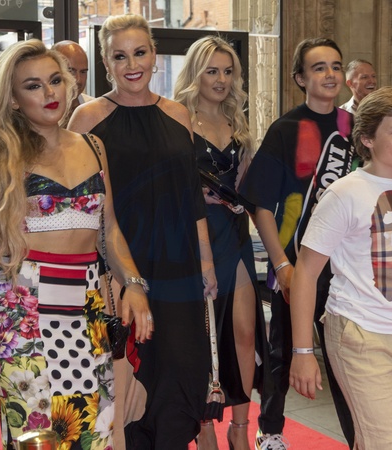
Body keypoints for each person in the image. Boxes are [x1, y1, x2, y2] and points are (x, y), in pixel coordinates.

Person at [0, 39, 153, 449]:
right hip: (20, 309)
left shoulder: (93, 147)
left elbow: (109, 229)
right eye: (33, 86)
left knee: (91, 429)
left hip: (86, 304)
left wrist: (133, 283)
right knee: (37, 433)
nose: (50, 93)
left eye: (55, 80)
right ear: (12, 99)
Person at [68, 14, 217, 450]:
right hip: (119, 268)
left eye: (140, 53)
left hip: (179, 266)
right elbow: (80, 203)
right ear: (106, 63)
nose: (132, 64)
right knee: (129, 377)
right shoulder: (86, 118)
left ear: (154, 55)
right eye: (120, 56)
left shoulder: (178, 114)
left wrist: (206, 261)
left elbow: (191, 197)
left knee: (181, 370)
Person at [289, 86, 392, 450]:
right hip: (359, 334)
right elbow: (306, 273)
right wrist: (302, 352)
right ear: (367, 139)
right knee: (389, 443)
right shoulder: (344, 193)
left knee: (381, 439)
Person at [239, 38, 356, 450]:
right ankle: (270, 430)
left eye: (336, 66)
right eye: (319, 67)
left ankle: (359, 438)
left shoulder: (353, 127)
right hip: (297, 262)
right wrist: (281, 265)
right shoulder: (286, 129)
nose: (330, 74)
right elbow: (260, 205)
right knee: (284, 352)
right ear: (300, 78)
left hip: (346, 264)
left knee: (347, 359)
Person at [173, 35, 271, 450]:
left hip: (234, 234)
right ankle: (204, 425)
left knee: (245, 332)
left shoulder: (239, 125)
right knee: (201, 335)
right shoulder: (178, 121)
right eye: (212, 71)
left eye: (228, 72)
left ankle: (240, 427)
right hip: (193, 237)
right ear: (195, 74)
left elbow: (251, 188)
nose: (221, 80)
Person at [51, 40, 93, 124]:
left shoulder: (96, 110)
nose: (78, 79)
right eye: (71, 71)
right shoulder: (39, 112)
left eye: (83, 72)